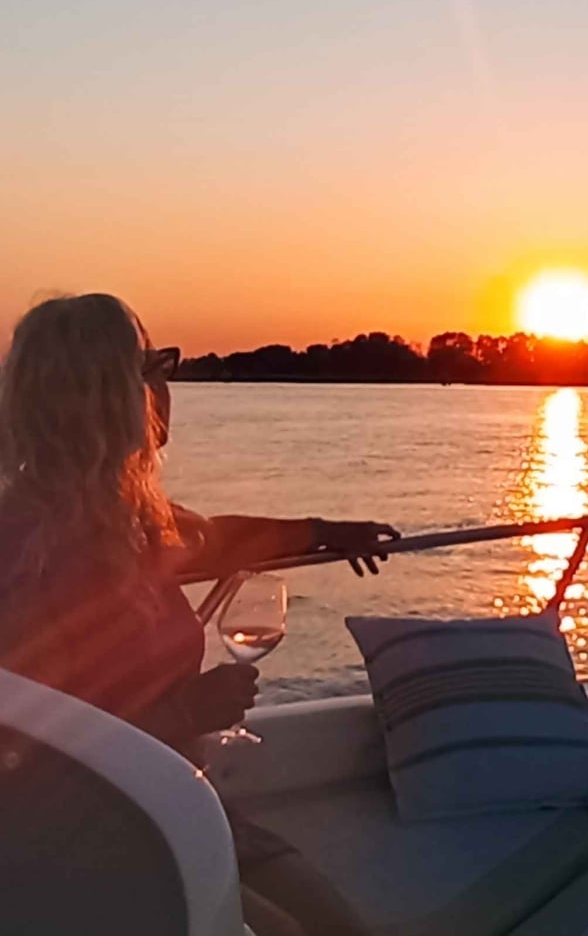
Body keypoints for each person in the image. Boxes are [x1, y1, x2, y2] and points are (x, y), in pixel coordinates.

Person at [0, 294, 398, 936]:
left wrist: (324, 530)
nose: (167, 385)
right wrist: (187, 713)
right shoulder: (31, 554)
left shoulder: (123, 516)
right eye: (154, 366)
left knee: (339, 924)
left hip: (169, 800)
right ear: (108, 394)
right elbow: (31, 740)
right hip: (84, 834)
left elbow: (213, 538)